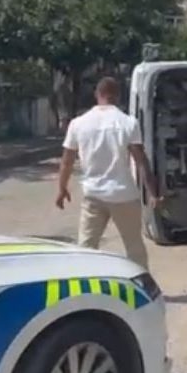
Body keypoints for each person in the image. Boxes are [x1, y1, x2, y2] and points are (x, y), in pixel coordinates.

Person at [56, 77, 159, 269]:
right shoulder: (128, 122)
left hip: (93, 195)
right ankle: (141, 287)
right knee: (134, 246)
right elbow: (141, 160)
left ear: (97, 94)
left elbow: (67, 161)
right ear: (118, 96)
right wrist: (152, 192)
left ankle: (87, 288)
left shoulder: (78, 123)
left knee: (87, 247)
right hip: (124, 195)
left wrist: (62, 189)